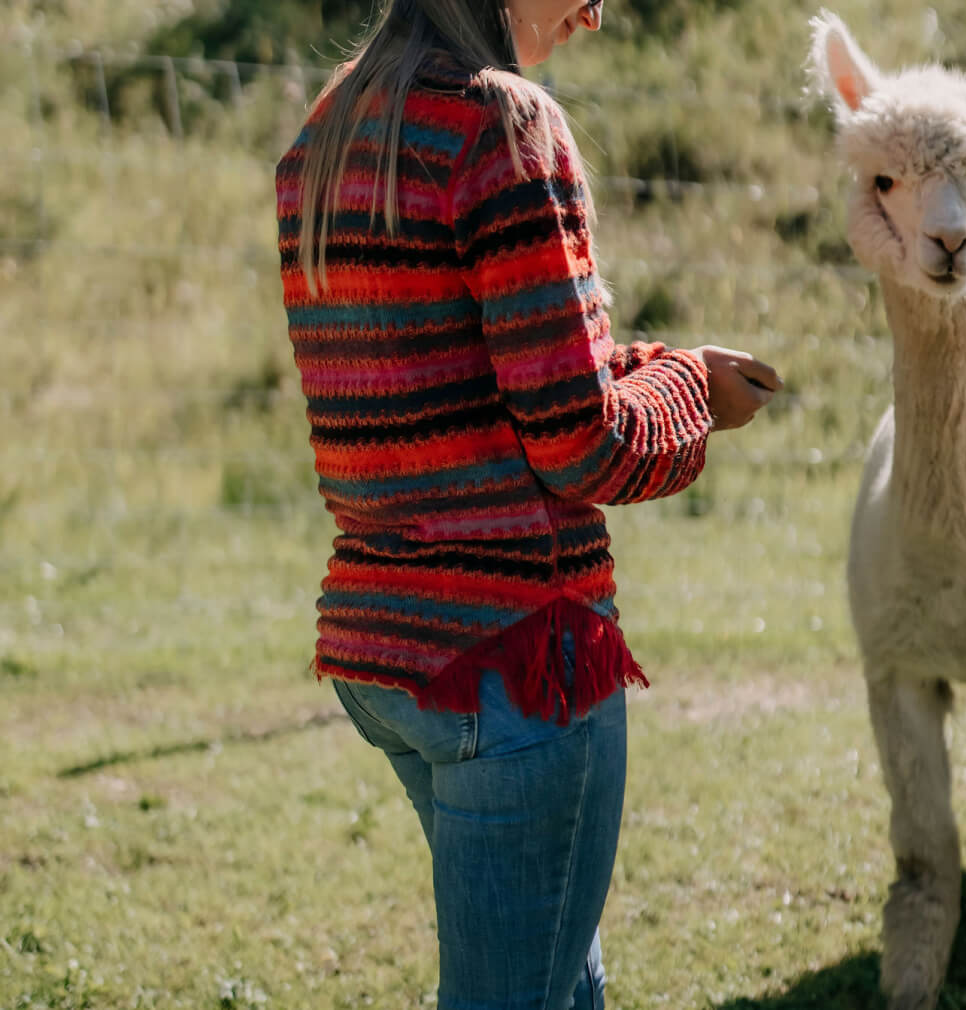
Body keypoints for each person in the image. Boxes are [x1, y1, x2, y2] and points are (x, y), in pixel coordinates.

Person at [274, 2, 781, 1007]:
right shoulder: (505, 122)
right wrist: (692, 397)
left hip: (386, 650)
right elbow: (582, 443)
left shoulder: (325, 136)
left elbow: (478, 386)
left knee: (557, 964)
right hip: (514, 663)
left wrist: (654, 364)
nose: (596, 11)